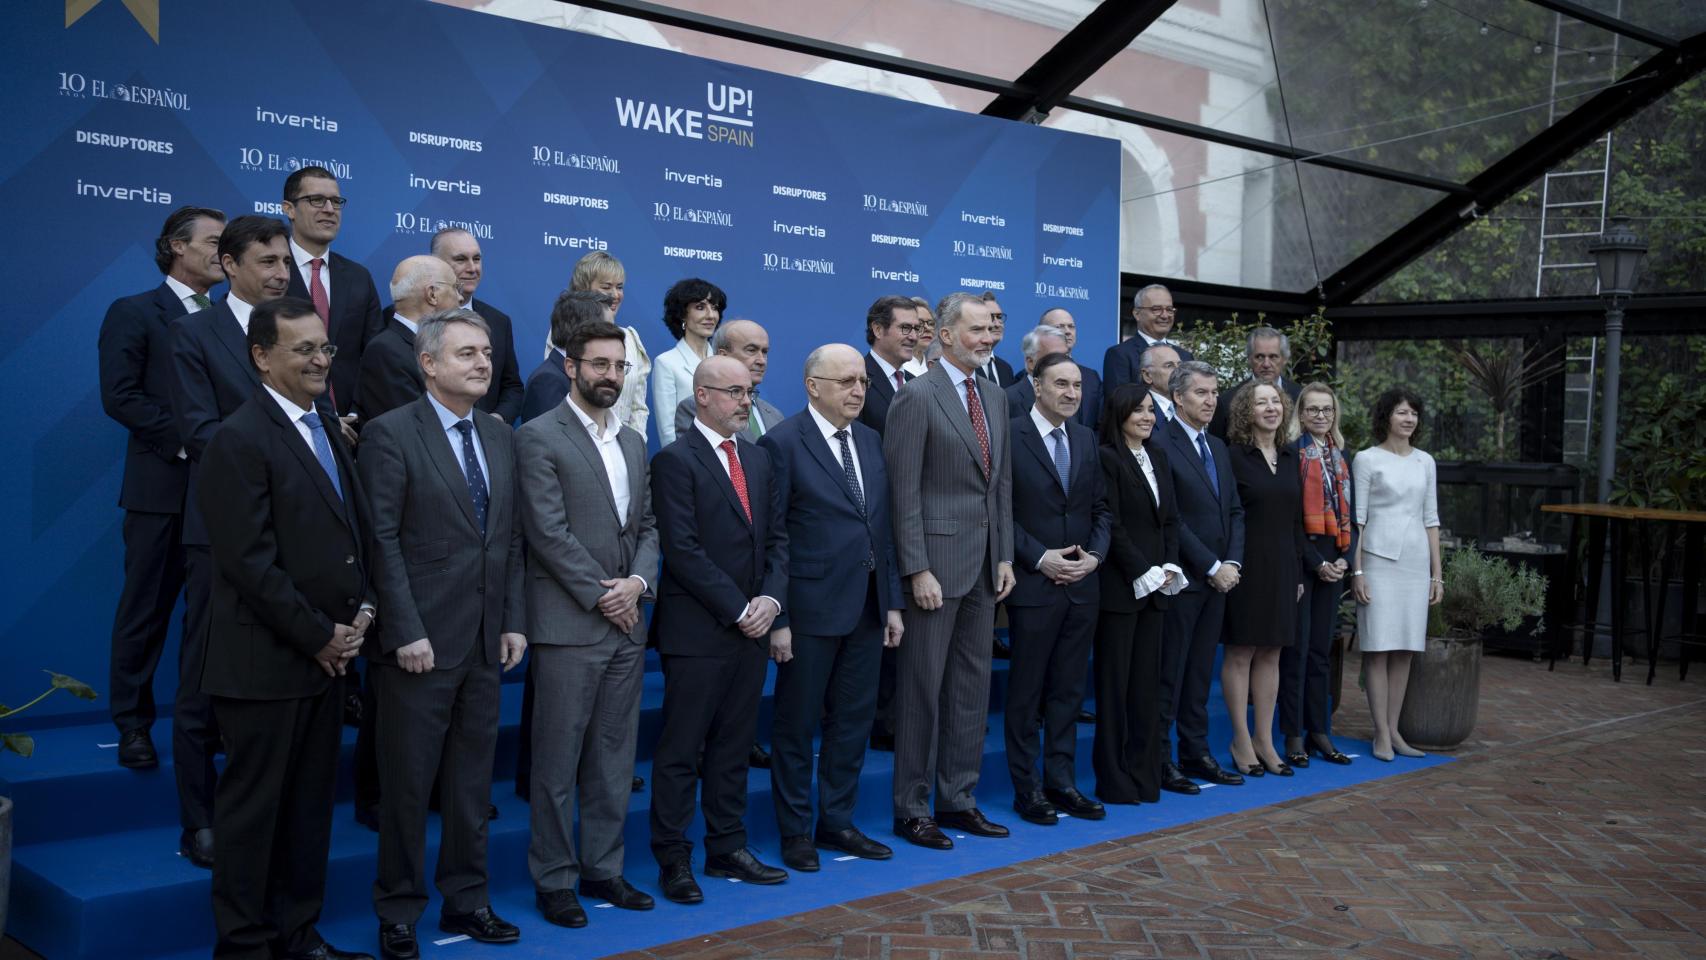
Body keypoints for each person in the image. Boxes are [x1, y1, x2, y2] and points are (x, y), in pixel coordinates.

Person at [198, 296, 375, 960]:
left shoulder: (327, 426)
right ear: (262, 356)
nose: (319, 361)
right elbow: (249, 563)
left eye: (324, 348)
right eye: (303, 350)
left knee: (306, 816)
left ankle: (298, 937)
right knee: (252, 818)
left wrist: (360, 616)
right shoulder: (237, 437)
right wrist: (319, 636)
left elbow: (353, 534)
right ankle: (244, 947)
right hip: (265, 665)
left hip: (327, 660)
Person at [358, 309, 527, 960]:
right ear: (428, 364)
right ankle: (398, 910)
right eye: (466, 354)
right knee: (406, 787)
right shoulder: (389, 433)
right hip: (418, 647)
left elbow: (507, 540)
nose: (483, 363)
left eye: (486, 352)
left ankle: (469, 898)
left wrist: (513, 618)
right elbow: (383, 540)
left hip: (485, 642)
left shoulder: (499, 435)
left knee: (469, 787)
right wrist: (404, 629)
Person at [517, 319, 659, 927]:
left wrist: (638, 584)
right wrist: (604, 595)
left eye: (620, 366)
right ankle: (555, 879)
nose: (611, 376)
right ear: (571, 367)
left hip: (627, 624)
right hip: (570, 624)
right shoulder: (537, 436)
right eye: (600, 365)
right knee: (556, 764)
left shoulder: (631, 440)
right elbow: (546, 532)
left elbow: (648, 526)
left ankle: (605, 868)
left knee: (612, 760)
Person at [168, 214, 294, 869]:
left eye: (284, 261)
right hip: (219, 534)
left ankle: (264, 814)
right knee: (201, 682)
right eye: (268, 261)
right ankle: (199, 820)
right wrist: (285, 446)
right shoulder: (193, 333)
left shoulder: (298, 328)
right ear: (228, 264)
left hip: (295, 536)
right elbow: (200, 431)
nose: (280, 272)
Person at [648, 356, 789, 903]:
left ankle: (727, 848)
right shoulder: (674, 461)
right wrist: (739, 608)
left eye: (749, 392)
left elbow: (778, 538)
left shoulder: (757, 458)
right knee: (683, 751)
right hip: (699, 631)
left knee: (733, 746)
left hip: (752, 627)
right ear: (702, 395)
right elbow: (681, 550)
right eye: (734, 392)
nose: (744, 402)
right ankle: (672, 857)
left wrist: (772, 601)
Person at [758, 344, 904, 872]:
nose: (858, 390)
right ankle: (796, 831)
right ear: (812, 385)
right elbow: (772, 537)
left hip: (866, 608)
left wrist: (891, 604)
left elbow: (879, 530)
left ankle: (837, 822)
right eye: (845, 382)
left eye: (862, 381)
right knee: (796, 725)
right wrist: (780, 618)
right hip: (808, 610)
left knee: (852, 722)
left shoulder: (869, 439)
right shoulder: (782, 443)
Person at [884, 292, 1016, 850]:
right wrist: (916, 569)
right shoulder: (917, 397)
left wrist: (1005, 553)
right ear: (943, 335)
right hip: (935, 571)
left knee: (970, 690)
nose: (988, 338)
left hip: (986, 568)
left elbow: (1001, 485)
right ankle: (912, 808)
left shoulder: (994, 395)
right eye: (976, 330)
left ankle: (958, 799)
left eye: (992, 330)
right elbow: (902, 492)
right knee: (921, 692)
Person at [99, 204, 224, 772]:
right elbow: (121, 397)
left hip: (221, 498)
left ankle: (203, 724)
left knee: (211, 618)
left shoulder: (229, 322)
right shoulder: (133, 312)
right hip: (160, 490)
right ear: (177, 246)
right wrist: (190, 442)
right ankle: (133, 725)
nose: (222, 254)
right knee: (145, 612)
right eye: (213, 242)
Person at [1004, 352, 1110, 826]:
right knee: (1027, 694)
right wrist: (1038, 557)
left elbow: (1101, 509)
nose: (1071, 393)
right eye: (1061, 384)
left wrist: (1095, 557)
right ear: (1036, 386)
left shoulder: (1087, 438)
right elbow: (998, 512)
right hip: (1033, 585)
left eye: (1077, 386)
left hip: (1082, 586)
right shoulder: (1009, 435)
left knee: (1068, 692)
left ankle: (1061, 782)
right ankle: (1027, 789)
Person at [1152, 360, 1246, 794]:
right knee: (1169, 673)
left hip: (1221, 581)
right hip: (1185, 580)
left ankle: (1196, 751)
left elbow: (1234, 512)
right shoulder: (1160, 444)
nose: (1211, 401)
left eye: (1214, 393)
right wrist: (1212, 566)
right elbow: (1171, 518)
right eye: (1201, 393)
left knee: (1198, 675)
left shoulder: (1219, 448)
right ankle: (1162, 760)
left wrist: (1233, 565)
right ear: (1178, 397)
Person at [1092, 385, 1182, 804]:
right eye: (1139, 410)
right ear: (1120, 412)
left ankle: (1146, 776)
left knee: (1147, 686)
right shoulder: (1106, 458)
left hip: (1157, 588)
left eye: (1151, 410)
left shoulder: (1159, 456)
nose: (1147, 416)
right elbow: (1111, 522)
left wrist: (1168, 566)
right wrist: (1142, 570)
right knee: (1115, 688)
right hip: (1120, 589)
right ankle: (1114, 779)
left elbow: (1170, 521)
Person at [1220, 382, 1308, 778]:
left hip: (1284, 566)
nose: (1271, 408)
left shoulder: (1291, 457)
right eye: (1261, 402)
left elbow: (1295, 520)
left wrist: (1298, 571)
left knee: (1272, 651)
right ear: (1246, 411)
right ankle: (1240, 738)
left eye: (1276, 401)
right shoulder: (1233, 455)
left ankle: (1264, 739)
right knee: (1241, 652)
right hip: (1245, 565)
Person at [1351, 388, 1442, 762]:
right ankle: (1380, 734)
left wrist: (1438, 575)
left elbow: (1432, 519)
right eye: (1402, 413)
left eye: (1414, 414)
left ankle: (1395, 731)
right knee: (1377, 647)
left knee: (1405, 648)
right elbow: (1357, 520)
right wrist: (1356, 570)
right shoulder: (1366, 459)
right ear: (1386, 416)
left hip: (1415, 564)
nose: (1408, 419)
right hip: (1376, 561)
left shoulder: (1426, 462)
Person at [1283, 383, 1356, 767]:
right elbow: (1291, 518)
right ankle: (1293, 733)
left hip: (1335, 560)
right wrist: (1315, 561)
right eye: (1313, 410)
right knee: (1297, 650)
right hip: (1303, 560)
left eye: (1327, 410)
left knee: (1321, 652)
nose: (1321, 416)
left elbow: (1354, 516)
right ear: (1300, 413)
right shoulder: (1292, 453)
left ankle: (1319, 730)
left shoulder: (1341, 457)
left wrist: (1347, 558)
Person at [279, 166, 383, 421]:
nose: (329, 209)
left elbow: (375, 356)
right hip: (292, 424)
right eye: (316, 200)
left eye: (336, 201)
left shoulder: (359, 277)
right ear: (289, 209)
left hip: (355, 426)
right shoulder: (271, 274)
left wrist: (358, 414)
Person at [427, 228, 525, 421]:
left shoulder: (499, 322)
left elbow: (512, 387)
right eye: (461, 259)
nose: (472, 268)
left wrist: (496, 419)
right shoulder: (412, 320)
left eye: (477, 259)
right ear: (436, 264)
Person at [356, 256, 463, 421]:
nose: (460, 297)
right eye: (456, 287)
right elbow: (412, 426)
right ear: (432, 294)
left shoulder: (434, 344)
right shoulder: (386, 351)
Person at [568, 251, 650, 436]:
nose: (615, 295)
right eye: (606, 287)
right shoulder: (566, 335)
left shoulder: (630, 338)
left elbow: (639, 408)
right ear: (583, 289)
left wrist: (634, 449)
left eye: (619, 287)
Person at [671, 320, 785, 440]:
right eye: (751, 350)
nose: (761, 361)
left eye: (765, 352)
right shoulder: (698, 407)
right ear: (723, 355)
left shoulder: (775, 415)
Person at [518, 290, 613, 425]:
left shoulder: (574, 373)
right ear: (584, 331)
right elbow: (548, 440)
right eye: (608, 329)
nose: (613, 337)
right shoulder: (547, 381)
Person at [651, 278, 726, 445]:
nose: (710, 315)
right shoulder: (666, 363)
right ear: (682, 315)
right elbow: (668, 431)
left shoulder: (724, 361)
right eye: (700, 307)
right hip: (688, 459)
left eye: (714, 307)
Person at [1209, 327, 1302, 439]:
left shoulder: (1300, 396)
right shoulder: (1226, 402)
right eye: (1259, 357)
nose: (1266, 364)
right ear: (1249, 359)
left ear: (1284, 359)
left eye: (1273, 357)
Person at [1103, 284, 1193, 392]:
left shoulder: (1185, 357)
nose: (1165, 316)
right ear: (1137, 314)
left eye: (1169, 310)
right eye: (1156, 309)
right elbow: (1119, 404)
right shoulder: (1120, 355)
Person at [859, 295, 921, 436]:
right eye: (905, 328)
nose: (913, 337)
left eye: (917, 328)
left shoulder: (916, 383)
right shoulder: (856, 379)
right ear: (878, 330)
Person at [1038, 308, 1104, 430]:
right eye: (1060, 327)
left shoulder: (1091, 377)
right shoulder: (1030, 377)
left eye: (1071, 326)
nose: (1067, 331)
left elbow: (1100, 424)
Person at [975, 291, 1017, 386]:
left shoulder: (1006, 369)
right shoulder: (965, 364)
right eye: (991, 317)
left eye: (999, 317)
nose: (997, 324)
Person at [1138, 343, 1180, 424]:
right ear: (1147, 375)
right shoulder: (1136, 410)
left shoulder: (1187, 407)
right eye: (1169, 366)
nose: (1178, 371)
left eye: (1180, 365)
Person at [902, 297, 933, 379]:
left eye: (930, 323)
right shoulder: (898, 369)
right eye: (920, 323)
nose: (928, 328)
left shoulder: (934, 368)